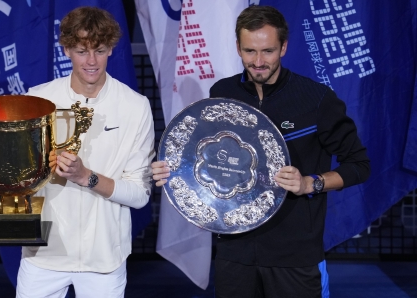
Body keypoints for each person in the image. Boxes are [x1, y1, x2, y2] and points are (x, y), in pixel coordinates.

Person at [152, 5, 370, 298]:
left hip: (295, 255)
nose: (258, 62)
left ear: (283, 47)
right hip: (234, 252)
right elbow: (206, 158)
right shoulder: (221, 94)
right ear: (238, 48)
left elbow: (359, 165)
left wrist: (310, 183)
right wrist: (173, 169)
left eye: (267, 51)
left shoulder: (316, 99)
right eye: (249, 51)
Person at [0, 6, 155, 298]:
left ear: (111, 48)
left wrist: (86, 177)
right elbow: (13, 170)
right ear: (67, 49)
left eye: (99, 50)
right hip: (42, 256)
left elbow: (139, 194)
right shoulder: (38, 99)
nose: (92, 61)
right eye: (82, 51)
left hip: (105, 260)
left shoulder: (136, 106)